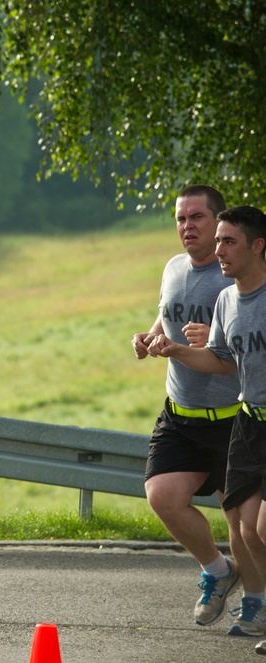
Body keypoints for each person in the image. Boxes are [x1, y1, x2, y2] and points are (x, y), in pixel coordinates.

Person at [133, 186, 264, 634]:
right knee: (162, 496)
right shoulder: (173, 268)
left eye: (197, 218)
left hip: (233, 419)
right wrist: (152, 338)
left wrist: (212, 336)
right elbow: (165, 317)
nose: (187, 227)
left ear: (219, 221)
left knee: (244, 526)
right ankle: (218, 570)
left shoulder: (235, 278)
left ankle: (256, 604)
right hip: (181, 412)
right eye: (180, 218)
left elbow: (233, 348)